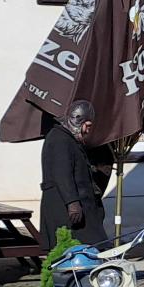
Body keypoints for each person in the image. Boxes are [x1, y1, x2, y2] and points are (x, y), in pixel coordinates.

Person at [40, 100, 103, 245]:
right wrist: (72, 203)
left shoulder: (66, 139)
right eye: (87, 126)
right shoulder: (60, 140)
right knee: (75, 249)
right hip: (65, 210)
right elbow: (62, 174)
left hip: (75, 207)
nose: (87, 131)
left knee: (91, 246)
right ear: (78, 121)